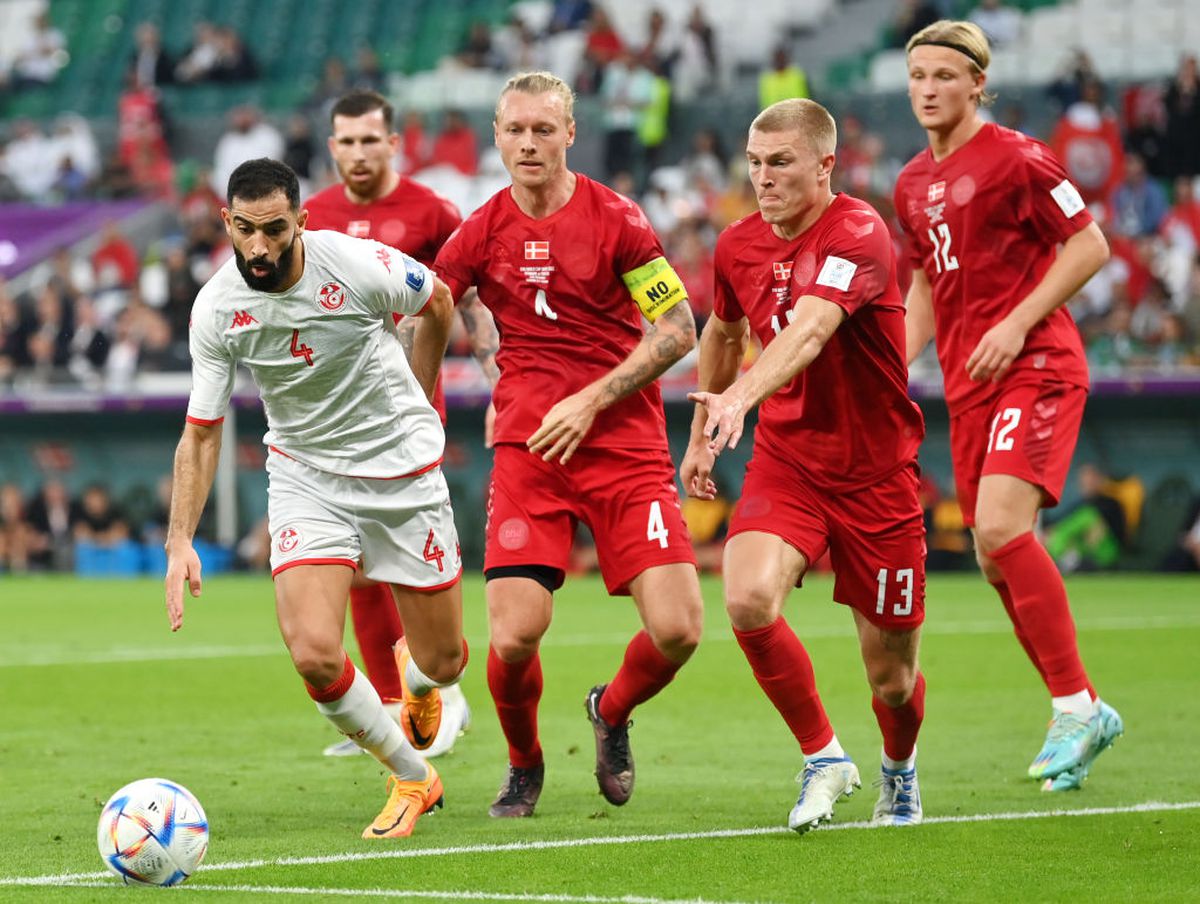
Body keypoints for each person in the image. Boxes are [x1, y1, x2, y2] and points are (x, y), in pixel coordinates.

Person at [164, 158, 466, 839]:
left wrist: (420, 387)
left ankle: (416, 680)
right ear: (227, 223)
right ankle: (412, 777)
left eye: (274, 229)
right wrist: (180, 538)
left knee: (446, 661)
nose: (259, 247)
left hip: (400, 471)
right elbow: (202, 433)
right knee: (312, 652)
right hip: (306, 477)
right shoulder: (217, 308)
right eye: (245, 230)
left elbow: (439, 299)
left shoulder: (356, 265)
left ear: (302, 220)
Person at [433, 71, 704, 818]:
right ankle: (524, 765)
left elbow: (679, 329)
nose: (528, 142)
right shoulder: (480, 230)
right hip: (531, 451)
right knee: (515, 635)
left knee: (679, 629)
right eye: (515, 129)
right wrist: (493, 373)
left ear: (569, 134)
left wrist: (590, 398)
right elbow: (434, 306)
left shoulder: (618, 220)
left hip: (624, 445)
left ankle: (610, 710)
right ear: (497, 135)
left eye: (543, 129)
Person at [681, 98, 929, 833]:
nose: (763, 177)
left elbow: (813, 327)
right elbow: (722, 334)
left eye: (780, 162)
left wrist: (742, 397)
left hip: (877, 474)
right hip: (789, 460)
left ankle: (899, 770)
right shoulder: (735, 245)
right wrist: (701, 434)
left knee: (892, 678)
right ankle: (824, 755)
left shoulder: (860, 231)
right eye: (754, 163)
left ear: (826, 165)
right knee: (747, 599)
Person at [896, 20, 1122, 793]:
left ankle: (1072, 706)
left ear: (976, 85)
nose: (928, 89)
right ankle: (1084, 705)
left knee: (996, 527)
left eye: (944, 76)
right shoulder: (910, 184)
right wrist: (894, 359)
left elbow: (1089, 245)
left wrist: (1018, 320)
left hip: (1039, 365)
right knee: (995, 553)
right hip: (968, 385)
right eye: (917, 75)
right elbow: (926, 281)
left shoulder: (1020, 157)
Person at [304, 89, 500, 759]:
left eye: (369, 140)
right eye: (346, 141)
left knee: (400, 559)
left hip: (407, 414)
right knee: (356, 566)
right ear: (331, 148)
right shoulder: (314, 216)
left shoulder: (431, 212)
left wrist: (502, 383)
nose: (357, 152)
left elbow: (468, 304)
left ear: (394, 144)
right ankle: (391, 709)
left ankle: (438, 690)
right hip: (335, 420)